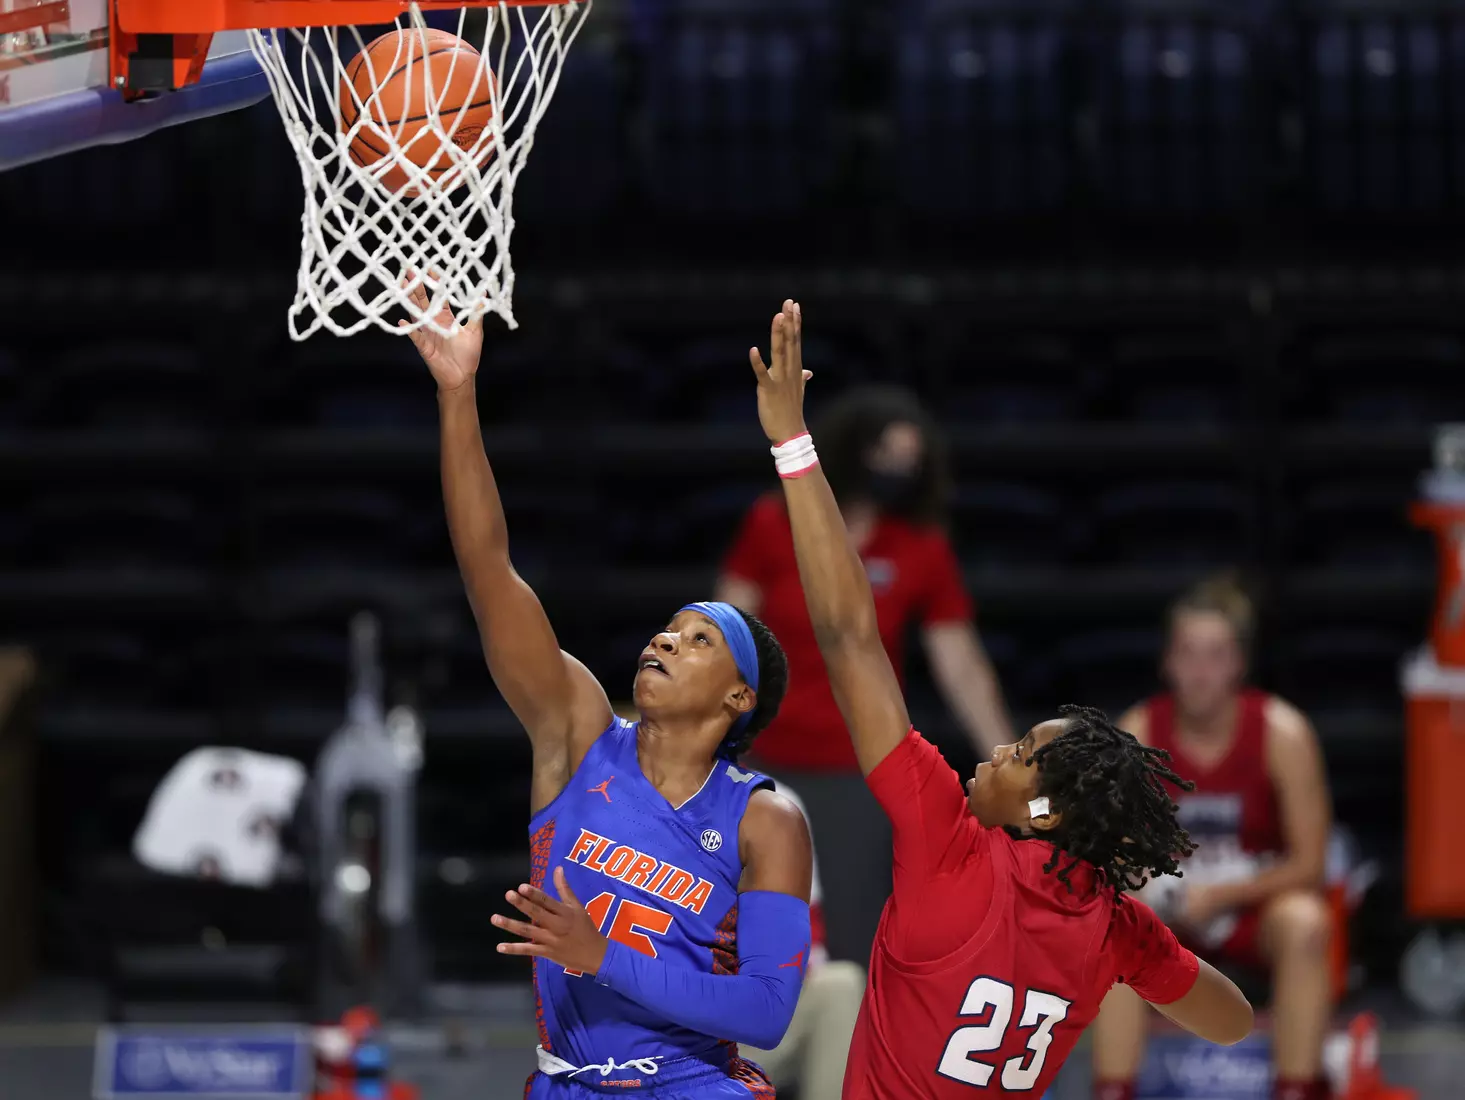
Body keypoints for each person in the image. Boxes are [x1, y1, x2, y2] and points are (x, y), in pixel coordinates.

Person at [748, 299, 1254, 1099]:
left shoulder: (946, 837)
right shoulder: (1112, 926)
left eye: (1019, 755)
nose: (995, 752)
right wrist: (1140, 943)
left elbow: (850, 637)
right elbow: (1232, 1021)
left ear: (1044, 812)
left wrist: (792, 444)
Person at [402, 282, 814, 1100]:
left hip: (694, 1084)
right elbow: (490, 575)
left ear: (739, 699)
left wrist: (600, 959)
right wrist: (458, 398)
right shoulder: (578, 733)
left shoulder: (766, 818)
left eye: (700, 641)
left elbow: (765, 1013)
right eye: (667, 628)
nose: (665, 640)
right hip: (570, 1083)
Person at [717, 384, 1013, 964]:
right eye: (887, 456)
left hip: (859, 770)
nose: (897, 471)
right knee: (744, 934)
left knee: (851, 944)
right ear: (855, 451)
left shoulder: (920, 545)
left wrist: (1005, 752)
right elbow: (726, 630)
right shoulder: (773, 523)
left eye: (910, 461)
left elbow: (961, 664)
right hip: (762, 760)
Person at [1090, 575, 1335, 1100]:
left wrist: (1220, 896)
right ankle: (1113, 1089)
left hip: (1250, 904)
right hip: (1167, 907)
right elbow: (1115, 853)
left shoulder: (1282, 733)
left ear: (1239, 663)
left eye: (1216, 655)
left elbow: (1312, 863)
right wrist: (1144, 879)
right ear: (1167, 661)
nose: (1200, 673)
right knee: (1110, 920)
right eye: (1188, 654)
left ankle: (1296, 1088)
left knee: (1306, 921)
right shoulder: (1140, 730)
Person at [740, 781, 865, 1100]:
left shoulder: (775, 801)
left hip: (744, 1018)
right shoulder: (624, 798)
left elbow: (810, 940)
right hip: (655, 1035)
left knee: (840, 985)